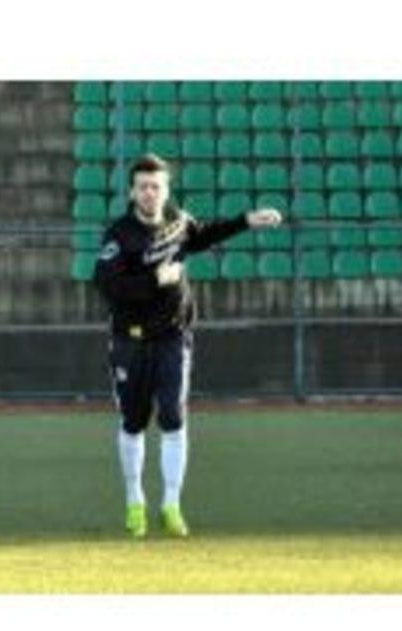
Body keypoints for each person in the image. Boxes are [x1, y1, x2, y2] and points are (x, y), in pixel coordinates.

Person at [93, 153, 283, 538]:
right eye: (143, 186)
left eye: (156, 186)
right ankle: (134, 501)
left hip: (172, 337)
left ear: (166, 190)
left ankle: (172, 504)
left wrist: (246, 220)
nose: (150, 193)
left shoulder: (178, 221)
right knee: (132, 422)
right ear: (132, 192)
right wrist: (155, 281)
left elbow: (204, 234)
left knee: (173, 418)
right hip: (130, 340)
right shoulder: (119, 235)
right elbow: (107, 285)